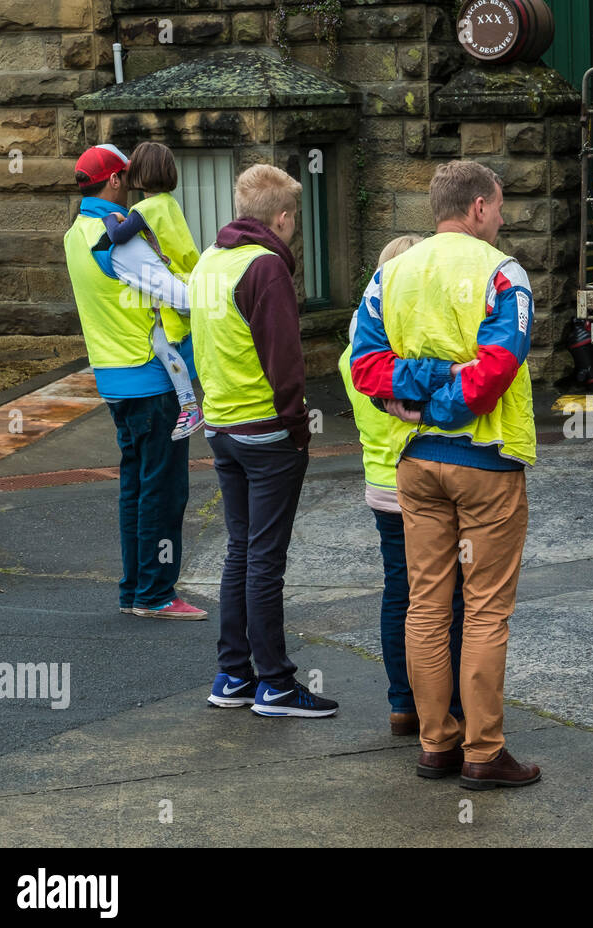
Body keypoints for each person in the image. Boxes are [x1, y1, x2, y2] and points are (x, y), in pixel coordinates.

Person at [350, 160, 539, 789]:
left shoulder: (390, 274)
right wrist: (446, 395)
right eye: (501, 206)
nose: (505, 217)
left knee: (425, 606)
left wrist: (420, 394)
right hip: (484, 462)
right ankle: (484, 752)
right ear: (480, 207)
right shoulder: (502, 274)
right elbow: (493, 375)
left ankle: (437, 743)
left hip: (414, 463)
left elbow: (367, 368)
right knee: (484, 611)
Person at [189, 163, 336, 718]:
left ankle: (233, 676)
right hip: (266, 432)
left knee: (240, 551)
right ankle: (275, 684)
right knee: (265, 560)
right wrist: (299, 429)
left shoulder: (210, 261)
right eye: (293, 217)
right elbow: (286, 363)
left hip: (222, 426)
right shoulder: (267, 268)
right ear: (281, 217)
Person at [62, 143, 206, 621]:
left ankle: (135, 589)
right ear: (115, 182)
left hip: (113, 379)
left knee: (136, 488)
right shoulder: (116, 237)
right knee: (164, 491)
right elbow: (181, 298)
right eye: (125, 176)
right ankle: (157, 594)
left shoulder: (75, 233)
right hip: (151, 381)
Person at [337, 235, 466, 736]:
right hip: (428, 483)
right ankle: (449, 703)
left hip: (380, 485)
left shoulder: (355, 355)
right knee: (445, 599)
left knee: (399, 593)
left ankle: (402, 701)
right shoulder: (420, 355)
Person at [102, 142, 204, 441]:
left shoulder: (144, 208)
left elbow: (118, 236)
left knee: (162, 346)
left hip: (173, 285)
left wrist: (111, 216)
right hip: (189, 278)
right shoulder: (169, 202)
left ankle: (189, 405)